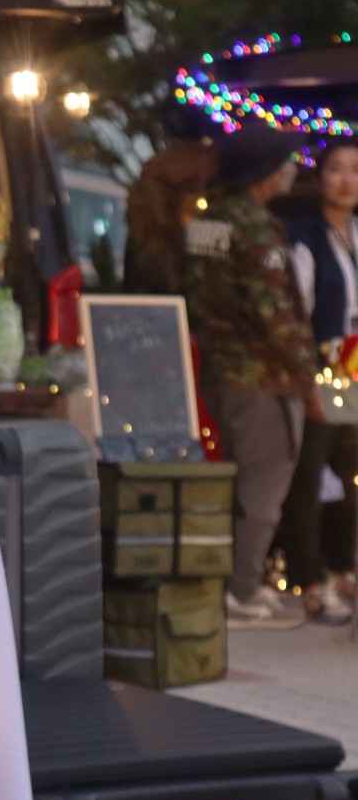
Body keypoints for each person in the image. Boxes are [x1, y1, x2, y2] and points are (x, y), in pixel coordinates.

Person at [182, 122, 321, 629]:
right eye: (286, 161)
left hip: (218, 370)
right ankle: (240, 590)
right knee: (262, 488)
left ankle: (232, 582)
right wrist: (308, 377)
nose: (292, 169)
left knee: (231, 483)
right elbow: (276, 314)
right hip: (263, 379)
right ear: (266, 171)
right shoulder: (259, 229)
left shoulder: (204, 223)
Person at [283, 140, 358, 623]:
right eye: (336, 169)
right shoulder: (304, 235)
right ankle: (308, 580)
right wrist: (308, 379)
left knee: (350, 475)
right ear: (319, 177)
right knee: (310, 476)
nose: (347, 180)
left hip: (354, 367)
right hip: (318, 365)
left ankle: (341, 568)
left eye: (356, 170)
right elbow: (296, 312)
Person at [124, 104, 218, 295]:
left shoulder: (154, 167)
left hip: (153, 266)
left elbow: (138, 222)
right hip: (201, 274)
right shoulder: (214, 166)